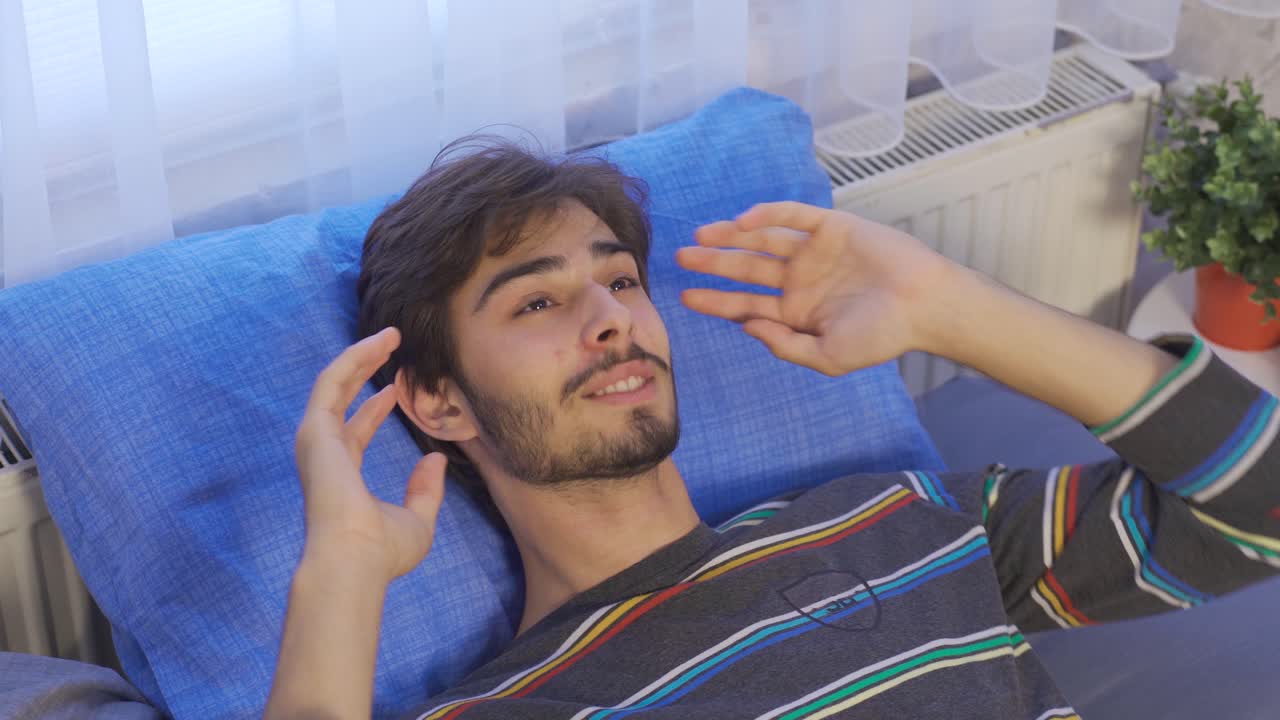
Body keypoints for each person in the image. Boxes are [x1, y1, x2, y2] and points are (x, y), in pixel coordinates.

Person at [264, 140, 1280, 720]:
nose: (612, 315)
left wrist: (954, 307)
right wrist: (341, 573)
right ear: (437, 402)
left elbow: (1258, 515)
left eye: (619, 279)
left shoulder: (904, 527)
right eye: (536, 303)